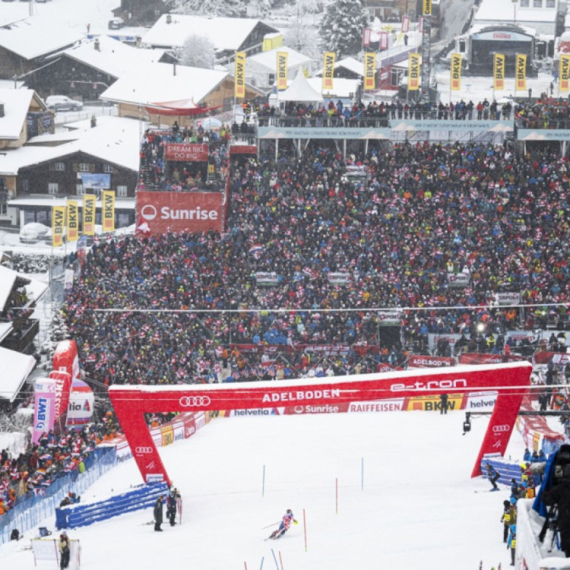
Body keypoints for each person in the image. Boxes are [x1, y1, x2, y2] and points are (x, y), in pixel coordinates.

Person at [542, 464, 570, 556]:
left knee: (567, 546)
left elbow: (548, 500)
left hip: (565, 521)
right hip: (565, 519)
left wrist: (544, 492)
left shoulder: (560, 488)